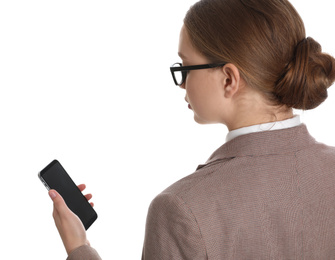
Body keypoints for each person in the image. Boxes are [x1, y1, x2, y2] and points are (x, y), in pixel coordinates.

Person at [48, 0, 335, 259]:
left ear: (228, 79)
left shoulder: (181, 208)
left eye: (185, 66)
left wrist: (78, 248)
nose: (182, 83)